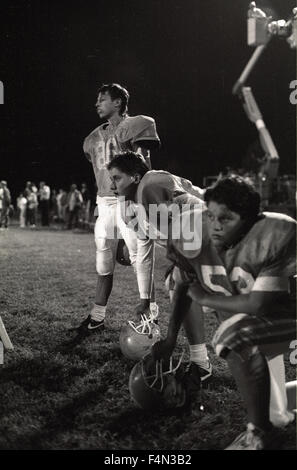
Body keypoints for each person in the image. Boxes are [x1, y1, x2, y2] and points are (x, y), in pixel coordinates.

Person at [150, 176, 296, 450]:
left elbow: (258, 305)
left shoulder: (275, 233)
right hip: (256, 328)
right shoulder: (193, 229)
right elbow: (183, 283)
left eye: (225, 218)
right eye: (210, 215)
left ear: (249, 219)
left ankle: (257, 435)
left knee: (232, 334)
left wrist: (206, 298)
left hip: (286, 314)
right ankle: (269, 423)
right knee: (277, 414)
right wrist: (170, 339)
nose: (215, 225)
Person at [107, 151, 212, 384]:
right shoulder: (131, 205)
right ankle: (200, 363)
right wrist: (145, 299)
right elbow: (144, 254)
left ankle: (203, 363)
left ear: (135, 177)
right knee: (178, 283)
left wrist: (182, 261)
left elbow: (188, 220)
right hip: (197, 241)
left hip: (216, 234)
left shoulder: (150, 184)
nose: (111, 184)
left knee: (186, 284)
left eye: (116, 178)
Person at [78, 83, 160, 333]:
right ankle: (97, 316)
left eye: (102, 99)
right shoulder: (92, 138)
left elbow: (144, 166)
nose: (97, 103)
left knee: (140, 260)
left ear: (118, 102)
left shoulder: (136, 125)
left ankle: (151, 316)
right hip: (104, 203)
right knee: (103, 261)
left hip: (129, 201)